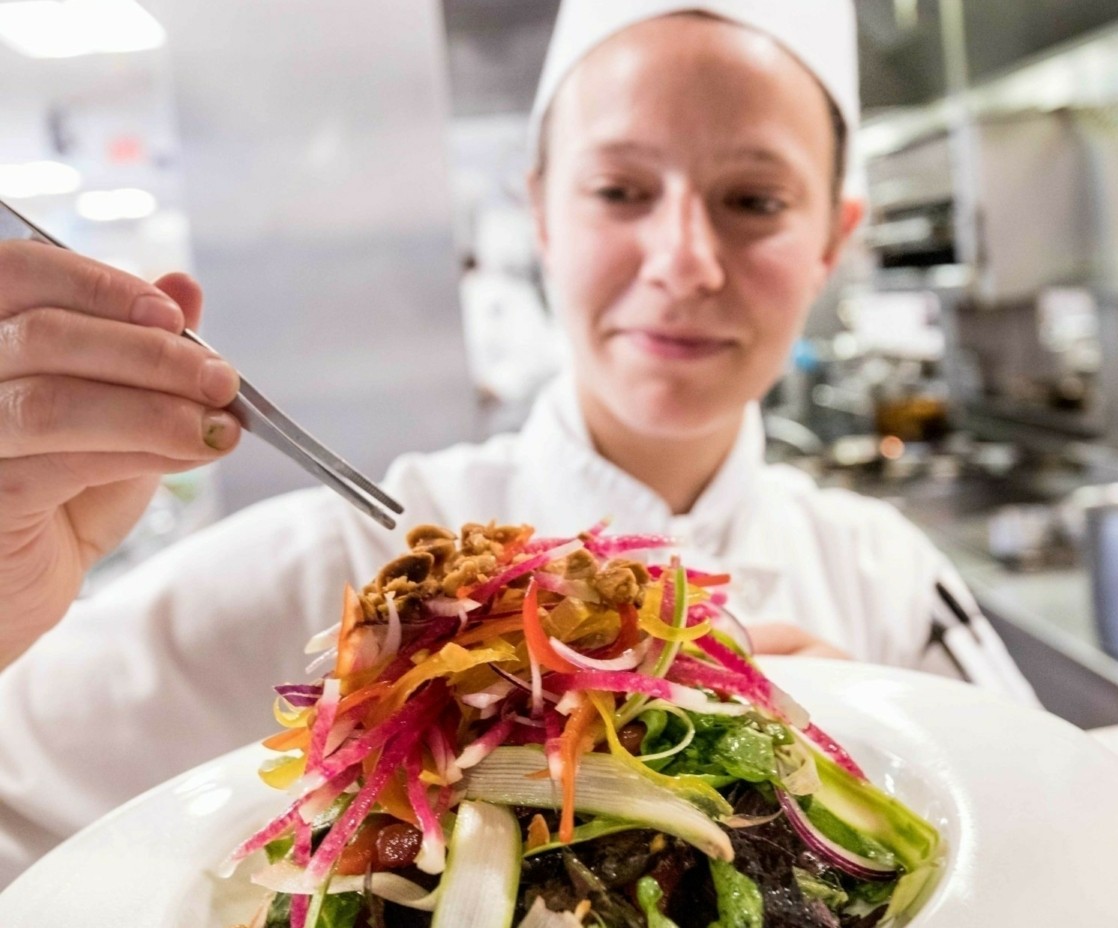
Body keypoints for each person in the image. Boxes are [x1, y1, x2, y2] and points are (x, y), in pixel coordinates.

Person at [0, 0, 1029, 885]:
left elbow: (1051, 834)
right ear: (540, 213)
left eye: (753, 201)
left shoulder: (883, 573)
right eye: (619, 190)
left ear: (833, 240)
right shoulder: (349, 565)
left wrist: (867, 760)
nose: (682, 261)